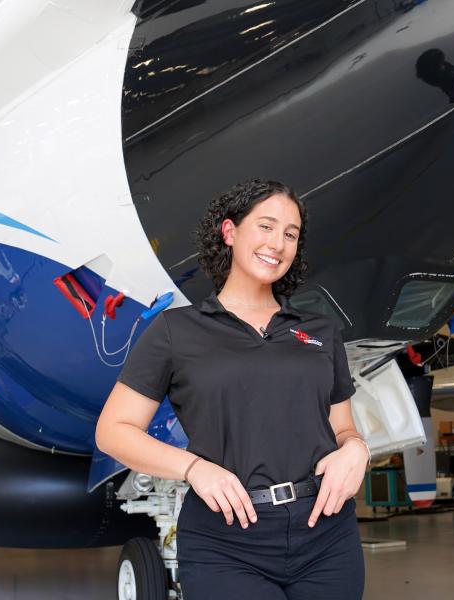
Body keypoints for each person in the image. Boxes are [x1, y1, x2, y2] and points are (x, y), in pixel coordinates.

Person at [95, 179, 368, 599]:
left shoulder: (319, 332)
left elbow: (342, 430)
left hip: (327, 535)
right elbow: (113, 430)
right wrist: (193, 469)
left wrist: (356, 449)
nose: (277, 243)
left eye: (290, 234)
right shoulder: (176, 331)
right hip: (226, 539)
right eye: (266, 226)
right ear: (229, 232)